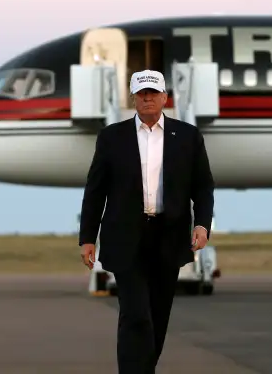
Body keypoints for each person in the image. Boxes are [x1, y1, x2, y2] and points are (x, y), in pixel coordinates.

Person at [78, 69, 215, 373]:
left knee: (157, 316)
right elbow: (95, 189)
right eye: (142, 93)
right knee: (135, 314)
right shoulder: (112, 137)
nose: (148, 98)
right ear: (134, 98)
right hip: (126, 237)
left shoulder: (187, 136)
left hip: (168, 237)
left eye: (153, 93)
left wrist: (202, 224)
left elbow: (203, 186)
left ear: (165, 97)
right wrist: (87, 237)